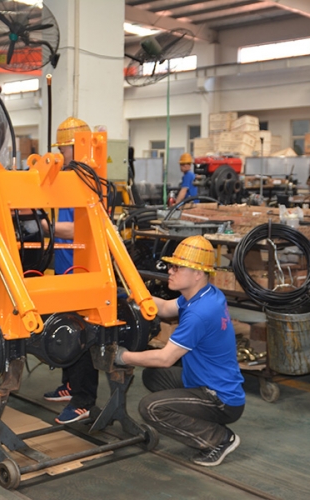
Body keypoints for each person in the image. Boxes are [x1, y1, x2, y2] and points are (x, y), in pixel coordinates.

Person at [115, 235, 245, 467]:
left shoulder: (199, 313)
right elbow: (166, 308)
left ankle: (219, 438)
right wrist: (136, 296)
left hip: (220, 399)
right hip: (204, 380)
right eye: (171, 266)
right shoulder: (206, 294)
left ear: (198, 274)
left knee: (150, 408)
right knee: (153, 376)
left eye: (177, 267)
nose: (170, 271)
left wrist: (121, 356)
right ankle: (200, 419)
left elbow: (165, 358)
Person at [42, 117, 100, 425]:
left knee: (81, 335)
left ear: (76, 148)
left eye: (63, 149)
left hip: (84, 271)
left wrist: (44, 226)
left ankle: (83, 400)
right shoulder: (69, 177)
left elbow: (82, 229)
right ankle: (69, 385)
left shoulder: (89, 181)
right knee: (65, 329)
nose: (61, 155)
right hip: (67, 268)